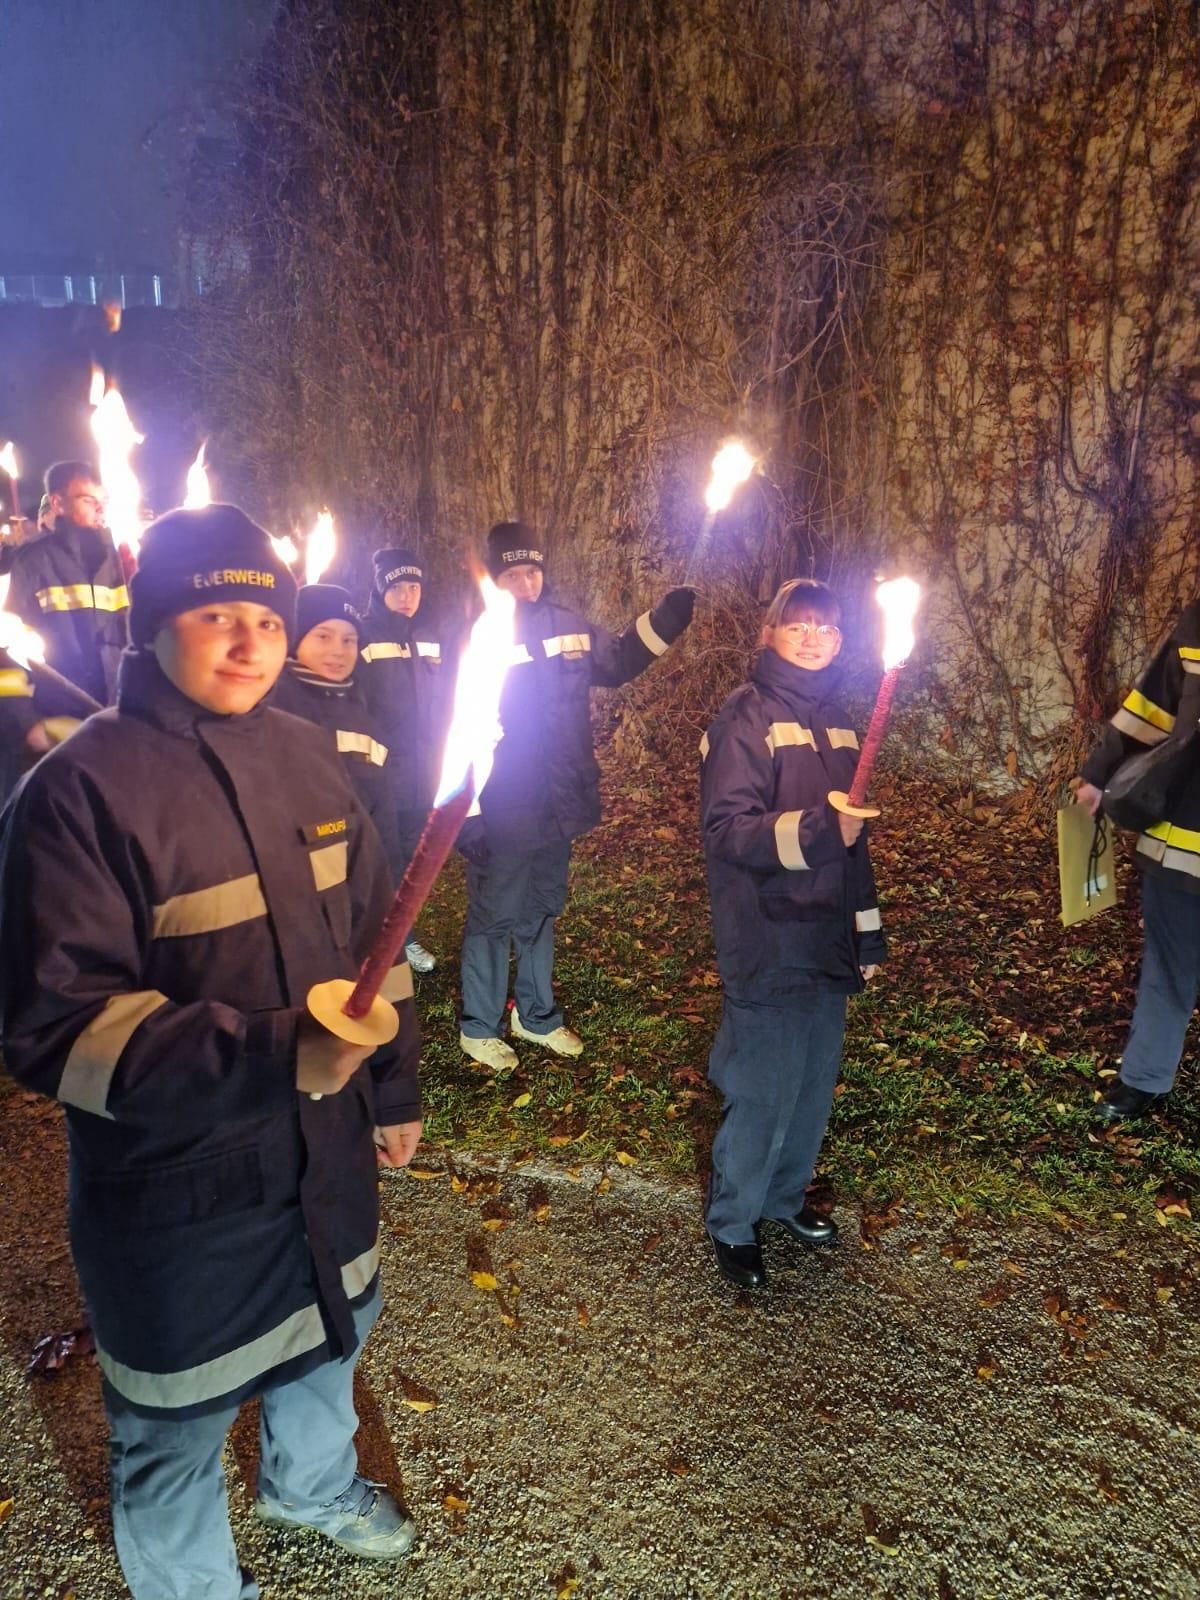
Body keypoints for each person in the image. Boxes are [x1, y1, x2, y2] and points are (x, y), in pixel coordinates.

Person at [0, 504, 423, 1599]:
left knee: (329, 1343)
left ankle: (309, 1483)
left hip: (321, 1162)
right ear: (153, 623)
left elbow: (385, 935)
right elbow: (61, 1032)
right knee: (175, 1426)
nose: (249, 644)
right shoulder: (79, 794)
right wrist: (276, 1056)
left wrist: (391, 1085)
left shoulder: (310, 756)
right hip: (176, 1199)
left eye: (268, 621)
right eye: (216, 613)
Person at [699, 578, 886, 1290]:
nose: (813, 638)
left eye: (826, 628)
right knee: (765, 1087)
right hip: (769, 936)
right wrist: (817, 830)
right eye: (798, 625)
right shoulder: (743, 718)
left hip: (826, 940)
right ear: (770, 633)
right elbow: (727, 829)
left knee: (811, 1087)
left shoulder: (841, 724)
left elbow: (855, 849)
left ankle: (782, 1199)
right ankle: (734, 1220)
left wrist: (867, 938)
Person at [457, 520, 695, 1072]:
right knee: (494, 915)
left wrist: (665, 620)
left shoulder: (567, 626)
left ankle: (535, 1015)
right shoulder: (478, 638)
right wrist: (467, 814)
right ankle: (479, 1025)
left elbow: (617, 660)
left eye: (532, 571)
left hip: (558, 804)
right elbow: (455, 728)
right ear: (495, 580)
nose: (525, 583)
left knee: (541, 910)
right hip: (504, 804)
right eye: (512, 574)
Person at [1074, 598, 1200, 1123]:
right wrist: (1100, 773)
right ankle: (1144, 1078)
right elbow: (1152, 710)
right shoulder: (1198, 622)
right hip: (1185, 835)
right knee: (1169, 964)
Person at [359, 546, 451, 972]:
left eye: (414, 586)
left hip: (424, 775)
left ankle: (402, 936)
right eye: (398, 586)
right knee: (387, 863)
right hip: (382, 776)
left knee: (414, 867)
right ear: (381, 589)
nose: (408, 595)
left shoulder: (430, 636)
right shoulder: (363, 636)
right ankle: (393, 946)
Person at [273, 582, 398, 868]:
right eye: (323, 636)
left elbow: (383, 819)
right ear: (295, 638)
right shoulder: (268, 708)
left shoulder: (365, 721)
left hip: (352, 881)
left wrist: (388, 889)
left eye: (348, 640)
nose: (338, 650)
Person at [4, 460, 128, 704]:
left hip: (121, 714)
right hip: (58, 715)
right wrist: (27, 721)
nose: (100, 509)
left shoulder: (122, 562)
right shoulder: (31, 562)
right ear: (58, 503)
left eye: (104, 501)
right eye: (88, 500)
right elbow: (5, 645)